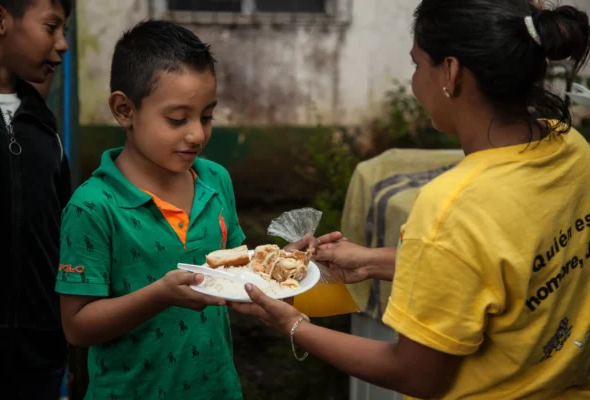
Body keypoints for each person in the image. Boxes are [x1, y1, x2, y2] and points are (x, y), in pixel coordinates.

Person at [231, 1, 590, 399]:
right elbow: (505, 266)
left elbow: (417, 375)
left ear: (451, 73)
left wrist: (296, 325)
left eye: (418, 64)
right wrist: (370, 261)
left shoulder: (452, 206)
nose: (415, 80)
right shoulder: (570, 146)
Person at [54, 20, 318, 399]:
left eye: (206, 116)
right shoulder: (93, 207)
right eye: (177, 119)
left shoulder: (215, 180)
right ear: (124, 109)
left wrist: (280, 265)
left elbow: (238, 275)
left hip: (217, 389)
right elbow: (77, 327)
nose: (196, 134)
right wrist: (159, 294)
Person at [0, 0, 71, 398]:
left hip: (40, 356)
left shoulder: (46, 133)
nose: (63, 44)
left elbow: (63, 235)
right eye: (51, 27)